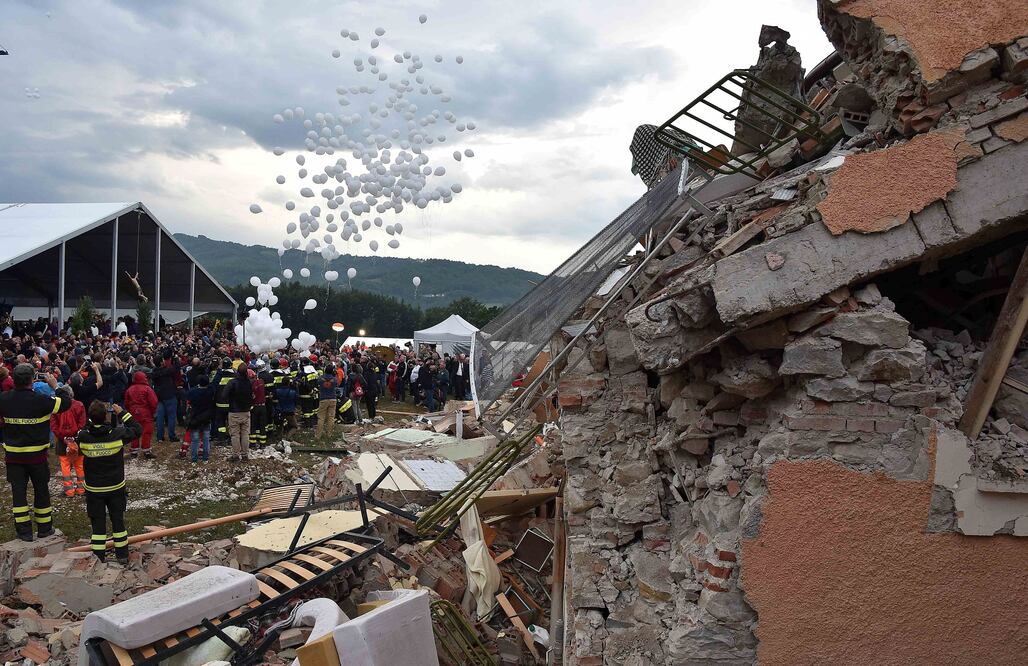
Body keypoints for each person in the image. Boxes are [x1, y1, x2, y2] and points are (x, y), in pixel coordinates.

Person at [0, 364, 70, 541]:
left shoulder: (4, 399)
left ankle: (24, 532)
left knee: (18, 493)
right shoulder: (41, 400)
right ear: (32, 379)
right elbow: (66, 402)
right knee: (41, 490)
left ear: (13, 380)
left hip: (14, 457)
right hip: (37, 457)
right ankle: (45, 528)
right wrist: (56, 385)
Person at [76, 401, 141, 563]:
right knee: (118, 521)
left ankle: (98, 558)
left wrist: (91, 419)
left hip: (94, 490)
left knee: (98, 525)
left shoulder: (83, 437)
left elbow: (82, 431)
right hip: (115, 487)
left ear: (90, 418)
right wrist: (122, 413)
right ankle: (123, 555)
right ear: (106, 416)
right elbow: (137, 429)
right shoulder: (117, 435)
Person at [51, 385, 87, 497]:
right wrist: (75, 436)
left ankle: (69, 491)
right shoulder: (79, 405)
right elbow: (82, 423)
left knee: (65, 466)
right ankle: (81, 489)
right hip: (77, 440)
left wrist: (63, 437)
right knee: (79, 465)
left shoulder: (56, 407)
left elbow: (54, 425)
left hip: (63, 441)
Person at [123, 371, 157, 458]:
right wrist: (153, 412)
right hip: (146, 412)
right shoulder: (147, 389)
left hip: (134, 412)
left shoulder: (130, 389)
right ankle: (146, 451)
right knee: (147, 431)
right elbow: (154, 402)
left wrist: (130, 411)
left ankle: (134, 450)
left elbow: (126, 402)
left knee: (134, 430)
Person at [225, 366, 253, 462]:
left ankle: (236, 455)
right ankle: (245, 455)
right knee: (245, 434)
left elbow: (224, 394)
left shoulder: (232, 382)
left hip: (234, 411)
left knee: (235, 435)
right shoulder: (249, 382)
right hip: (246, 411)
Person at [186, 374, 215, 462]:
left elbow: (188, 399)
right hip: (206, 417)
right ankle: (205, 458)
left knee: (195, 439)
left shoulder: (192, 391)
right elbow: (214, 384)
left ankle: (194, 459)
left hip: (195, 418)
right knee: (206, 439)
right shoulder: (211, 391)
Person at [151, 355, 180, 443]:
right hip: (169, 396)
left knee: (160, 417)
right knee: (171, 417)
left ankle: (160, 437)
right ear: (161, 362)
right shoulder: (166, 371)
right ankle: (171, 435)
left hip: (159, 397)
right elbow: (176, 368)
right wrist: (175, 359)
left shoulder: (154, 372)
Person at [211, 357, 235, 441]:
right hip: (231, 404)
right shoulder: (234, 375)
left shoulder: (219, 375)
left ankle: (221, 438)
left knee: (221, 422)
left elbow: (213, 387)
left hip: (219, 404)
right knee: (231, 422)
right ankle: (231, 437)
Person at [316, 364, 338, 439]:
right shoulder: (334, 379)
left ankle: (318, 435)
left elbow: (317, 383)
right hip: (333, 398)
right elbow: (336, 384)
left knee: (321, 417)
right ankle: (329, 434)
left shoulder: (320, 378)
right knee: (331, 417)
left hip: (323, 399)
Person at [248, 368, 267, 449]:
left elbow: (251, 397)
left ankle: (252, 443)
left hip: (255, 407)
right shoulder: (261, 382)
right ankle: (262, 443)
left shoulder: (251, 386)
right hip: (263, 407)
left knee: (253, 425)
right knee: (262, 425)